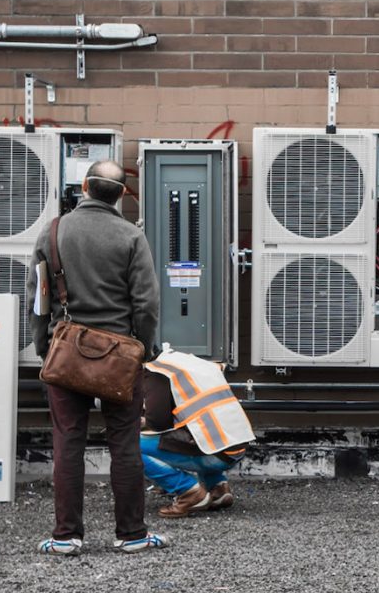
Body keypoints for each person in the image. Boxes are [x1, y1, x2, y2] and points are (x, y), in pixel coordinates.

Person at [29, 160, 166, 556]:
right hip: (120, 359)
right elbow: (147, 303)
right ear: (122, 194)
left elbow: (38, 301)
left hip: (66, 352)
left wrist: (45, 348)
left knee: (67, 443)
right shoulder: (130, 237)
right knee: (124, 443)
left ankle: (66, 537)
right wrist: (143, 347)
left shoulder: (52, 232)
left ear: (85, 185)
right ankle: (132, 535)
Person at [139, 348, 254, 517]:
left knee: (130, 444)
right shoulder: (187, 362)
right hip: (236, 445)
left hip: (215, 454)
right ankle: (218, 487)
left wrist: (141, 420)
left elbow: (158, 423)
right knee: (199, 431)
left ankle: (188, 492)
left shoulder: (157, 371)